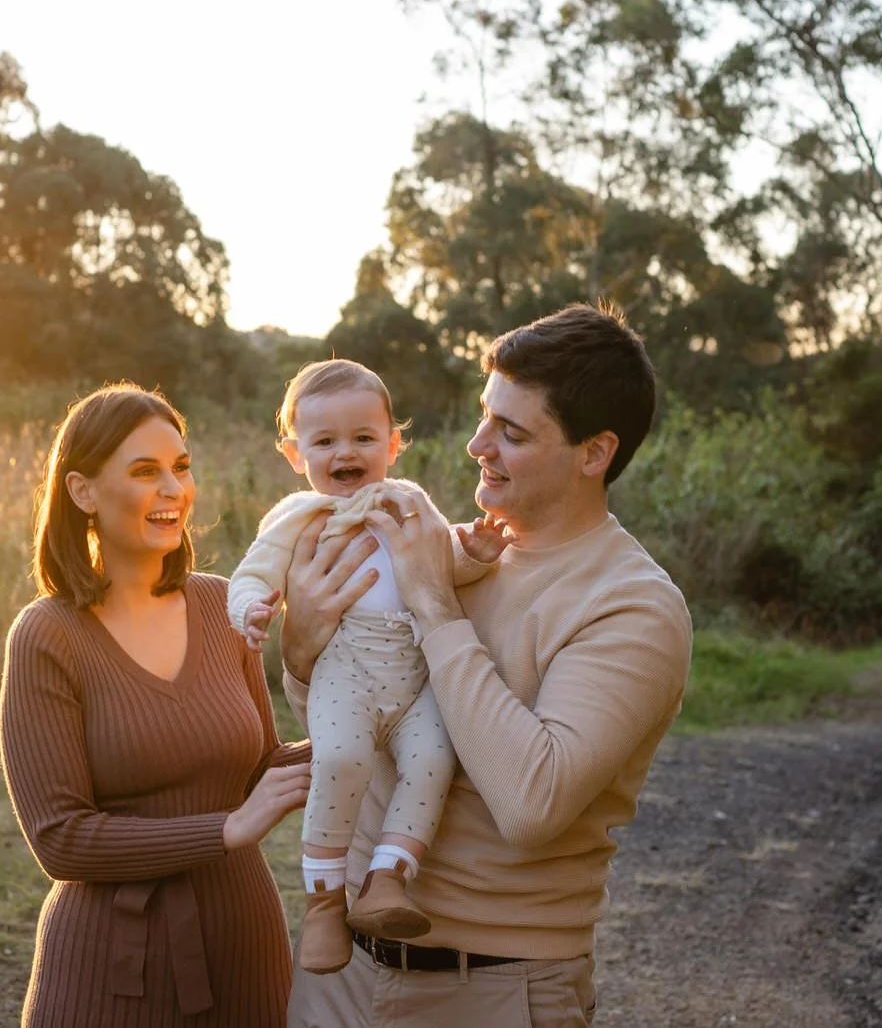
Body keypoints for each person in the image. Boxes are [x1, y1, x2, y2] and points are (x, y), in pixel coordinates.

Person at [278, 305, 694, 1027]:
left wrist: (434, 604)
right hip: (339, 976)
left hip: (493, 988)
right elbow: (344, 712)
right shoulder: (440, 541)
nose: (477, 445)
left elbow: (533, 802)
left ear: (594, 452)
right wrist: (299, 646)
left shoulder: (633, 606)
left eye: (512, 431)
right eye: (484, 415)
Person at [0, 382, 312, 1027]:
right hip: (110, 965)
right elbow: (61, 839)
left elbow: (256, 769)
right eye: (145, 472)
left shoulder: (225, 604)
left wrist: (370, 732)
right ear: (83, 492)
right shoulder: (47, 635)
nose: (174, 490)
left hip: (242, 943)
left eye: (181, 467)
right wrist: (225, 830)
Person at [227, 359, 511, 976]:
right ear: (293, 452)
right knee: (340, 759)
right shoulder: (298, 516)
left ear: (393, 442)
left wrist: (477, 554)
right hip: (345, 672)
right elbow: (252, 573)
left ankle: (387, 879)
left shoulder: (412, 503)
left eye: (362, 437)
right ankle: (326, 902)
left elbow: (444, 563)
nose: (345, 452)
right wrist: (250, 607)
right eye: (324, 441)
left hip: (415, 675)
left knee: (435, 759)